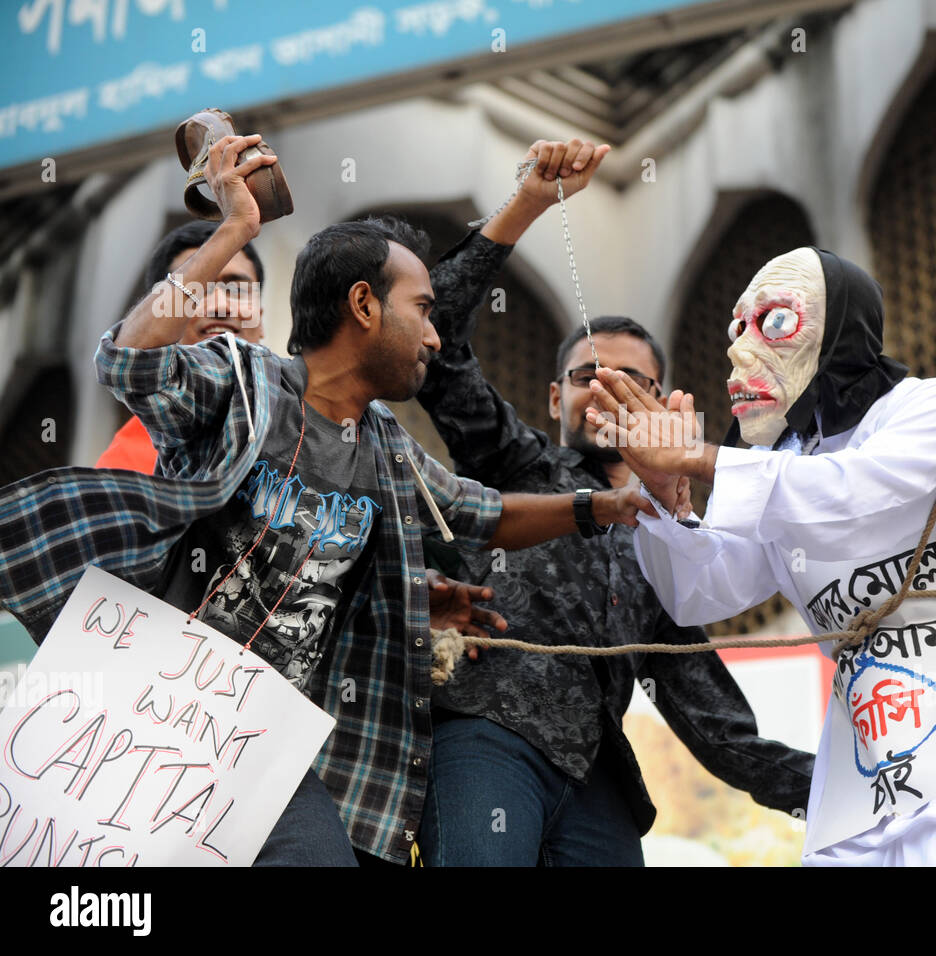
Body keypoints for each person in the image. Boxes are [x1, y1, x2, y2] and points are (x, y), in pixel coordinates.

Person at [0, 132, 650, 865]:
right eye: (424, 309)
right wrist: (237, 227)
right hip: (135, 715)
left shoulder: (390, 449)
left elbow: (486, 513)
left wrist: (604, 507)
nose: (436, 337)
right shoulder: (243, 382)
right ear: (365, 305)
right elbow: (127, 360)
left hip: (262, 747)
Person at [588, 247, 936, 865]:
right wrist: (667, 501)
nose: (740, 350)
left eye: (774, 322)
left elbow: (856, 492)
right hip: (862, 748)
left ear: (842, 330)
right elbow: (701, 591)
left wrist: (698, 459)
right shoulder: (784, 466)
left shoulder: (933, 407)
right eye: (737, 328)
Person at [416, 309, 814, 865]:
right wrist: (522, 216)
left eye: (633, 380)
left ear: (661, 402)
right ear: (556, 399)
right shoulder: (507, 462)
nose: (607, 389)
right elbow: (445, 330)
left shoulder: (668, 547)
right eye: (587, 377)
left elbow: (719, 730)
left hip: (599, 781)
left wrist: (841, 787)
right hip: (485, 740)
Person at [96, 220, 266, 473]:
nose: (220, 305)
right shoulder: (127, 463)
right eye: (197, 291)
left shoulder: (304, 413)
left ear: (260, 316)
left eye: (237, 289)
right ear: (161, 320)